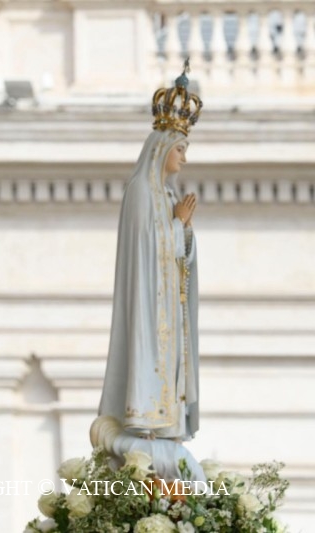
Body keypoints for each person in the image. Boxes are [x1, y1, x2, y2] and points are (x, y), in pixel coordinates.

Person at [98, 62, 202, 445]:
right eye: (180, 150)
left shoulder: (169, 195)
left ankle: (169, 421)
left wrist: (183, 229)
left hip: (168, 310)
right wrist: (177, 225)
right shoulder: (142, 191)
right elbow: (147, 252)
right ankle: (143, 412)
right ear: (161, 150)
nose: (183, 159)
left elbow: (178, 256)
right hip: (149, 304)